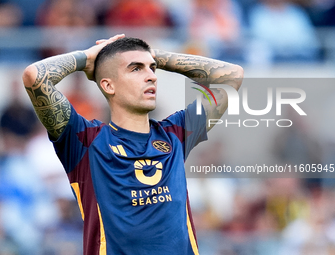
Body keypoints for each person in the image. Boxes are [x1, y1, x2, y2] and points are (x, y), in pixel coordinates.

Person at [22, 34, 243, 255]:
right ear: (108, 85)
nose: (151, 77)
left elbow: (232, 76)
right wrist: (87, 57)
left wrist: (154, 55)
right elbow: (35, 76)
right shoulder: (85, 141)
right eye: (136, 69)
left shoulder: (175, 134)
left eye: (152, 69)